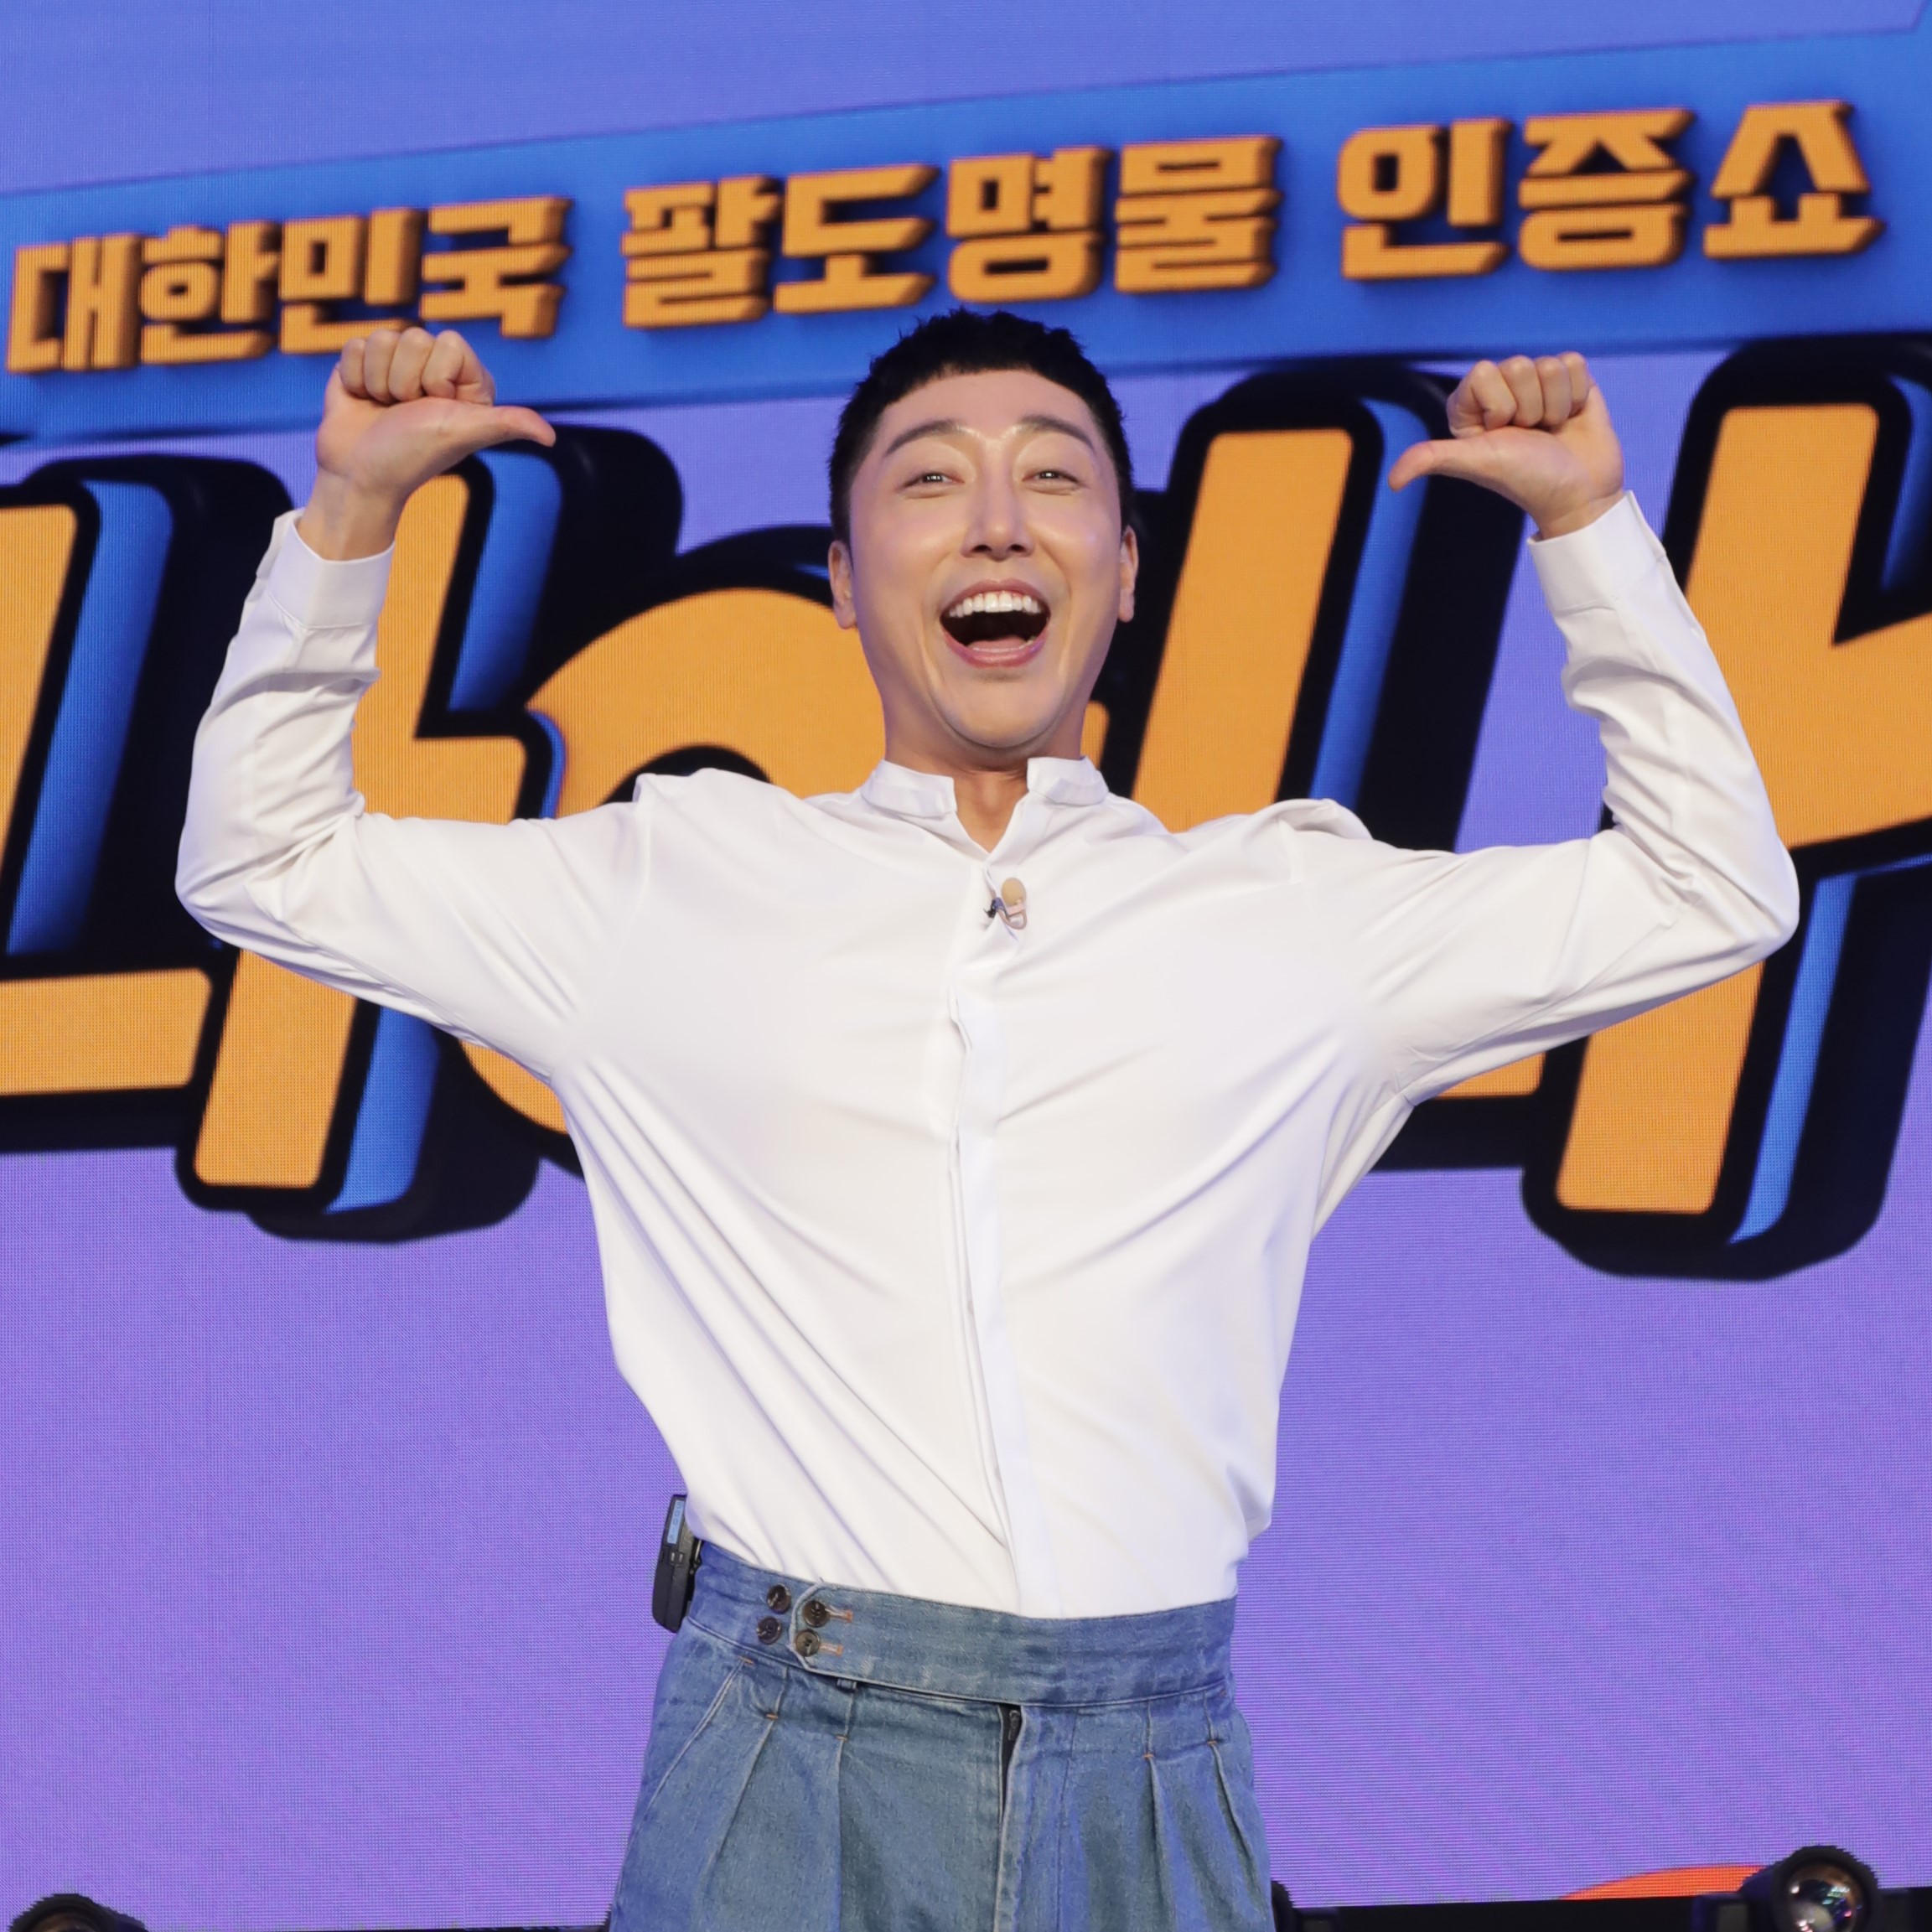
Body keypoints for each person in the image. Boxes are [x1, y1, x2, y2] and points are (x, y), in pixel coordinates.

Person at [178, 310, 1797, 1932]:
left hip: (1150, 1756)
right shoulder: (666, 883)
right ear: (842, 576)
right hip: (790, 1747)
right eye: (932, 479)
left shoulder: (1292, 913)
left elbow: (1707, 887)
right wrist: (351, 513)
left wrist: (1587, 528)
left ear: (1126, 571)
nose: (999, 522)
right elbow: (263, 856)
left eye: (1054, 477)